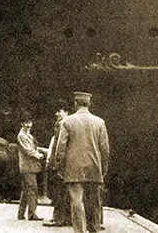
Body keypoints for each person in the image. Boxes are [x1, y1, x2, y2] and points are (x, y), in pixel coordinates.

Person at [55, 92, 109, 233]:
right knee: (94, 202)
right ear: (89, 104)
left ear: (75, 103)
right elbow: (105, 149)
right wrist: (103, 168)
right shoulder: (100, 122)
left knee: (77, 202)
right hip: (94, 166)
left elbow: (61, 148)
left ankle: (79, 231)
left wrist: (59, 166)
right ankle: (93, 229)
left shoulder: (67, 122)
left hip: (74, 168)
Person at [44, 100, 72, 227]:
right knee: (64, 192)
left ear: (66, 112)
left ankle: (59, 218)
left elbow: (60, 145)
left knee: (59, 192)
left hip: (61, 163)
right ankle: (65, 217)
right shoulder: (64, 123)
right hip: (64, 162)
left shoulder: (63, 124)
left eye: (59, 111)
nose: (57, 114)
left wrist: (56, 162)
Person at [17, 111, 46, 221]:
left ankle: (21, 214)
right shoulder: (22, 136)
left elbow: (33, 148)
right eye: (26, 123)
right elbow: (29, 150)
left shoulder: (27, 135)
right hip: (28, 167)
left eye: (30, 122)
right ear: (21, 124)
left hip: (28, 166)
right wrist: (39, 156)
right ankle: (32, 214)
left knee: (26, 190)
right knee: (33, 190)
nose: (28, 125)